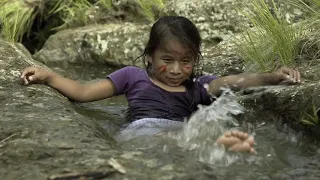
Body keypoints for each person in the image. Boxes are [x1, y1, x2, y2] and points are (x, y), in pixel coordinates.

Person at [20, 16, 301, 153]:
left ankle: (217, 144)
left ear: (195, 60)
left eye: (186, 61)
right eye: (168, 59)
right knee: (185, 139)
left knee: (194, 134)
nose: (177, 70)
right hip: (140, 134)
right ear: (150, 56)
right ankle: (217, 144)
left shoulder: (198, 87)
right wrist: (49, 76)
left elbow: (233, 82)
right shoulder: (132, 76)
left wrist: (272, 76)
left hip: (181, 135)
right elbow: (83, 92)